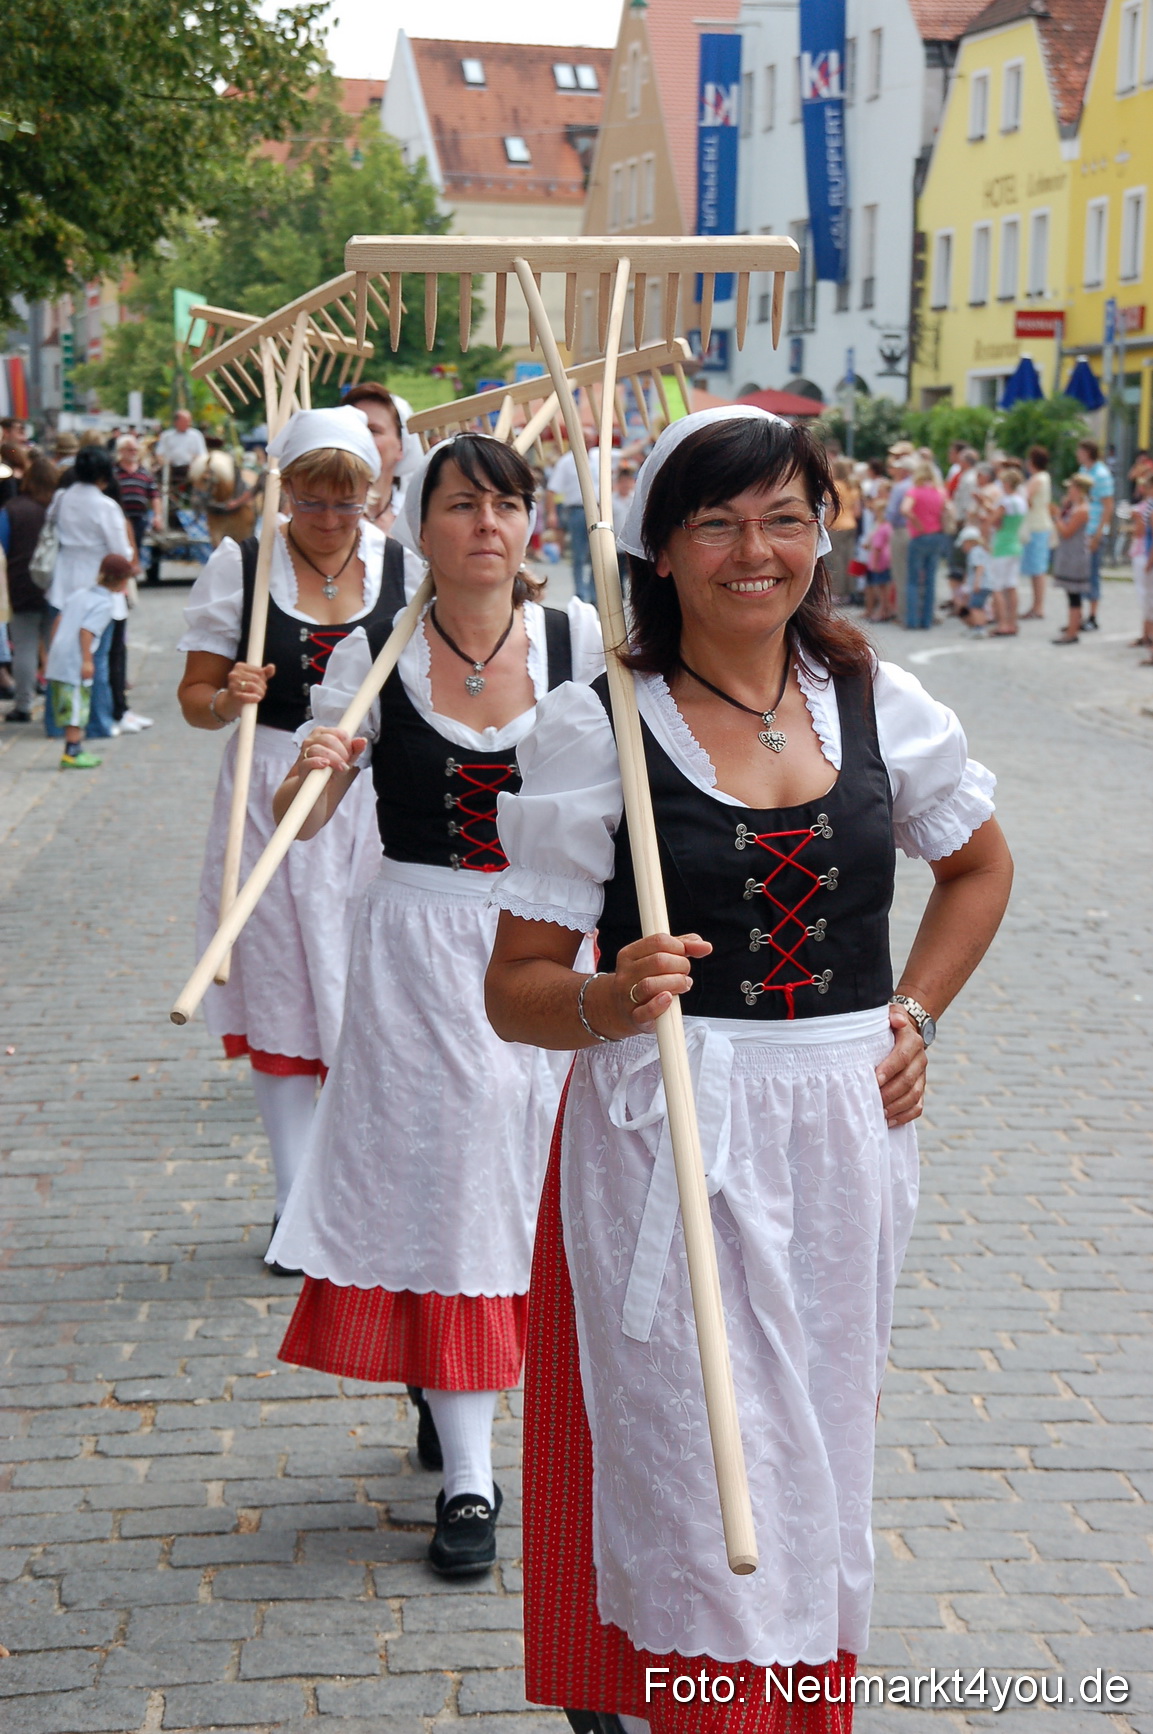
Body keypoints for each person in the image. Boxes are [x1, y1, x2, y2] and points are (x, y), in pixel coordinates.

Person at [485, 406, 1012, 1734]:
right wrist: (609, 994)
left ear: (825, 531)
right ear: (658, 550)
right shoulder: (590, 726)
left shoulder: (879, 703)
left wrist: (916, 1014)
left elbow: (979, 866)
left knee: (814, 1449)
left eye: (783, 516)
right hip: (668, 1130)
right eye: (715, 522)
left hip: (840, 1134)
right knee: (689, 1456)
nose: (753, 550)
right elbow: (517, 991)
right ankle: (687, 1702)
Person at [266, 432, 603, 1577]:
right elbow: (301, 827)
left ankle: (465, 1394)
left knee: (543, 1183)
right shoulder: (371, 652)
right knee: (457, 1183)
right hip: (416, 946)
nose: (487, 526)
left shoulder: (580, 643)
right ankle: (470, 1474)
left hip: (550, 943)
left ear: (532, 523)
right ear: (421, 524)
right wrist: (312, 766)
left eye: (507, 505)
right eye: (462, 505)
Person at [176, 406, 422, 1258]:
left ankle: (360, 1194)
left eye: (345, 504)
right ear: (285, 492)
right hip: (269, 789)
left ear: (370, 495)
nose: (326, 520)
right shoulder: (241, 566)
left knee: (374, 997)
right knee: (280, 992)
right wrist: (226, 697)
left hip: (376, 800)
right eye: (311, 502)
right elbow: (193, 700)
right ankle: (292, 1204)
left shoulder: (405, 569)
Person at [45, 553, 134, 769]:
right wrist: (87, 660)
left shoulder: (80, 594)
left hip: (59, 656)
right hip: (75, 660)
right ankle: (72, 751)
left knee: (65, 704)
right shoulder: (104, 604)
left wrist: (54, 646)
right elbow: (87, 631)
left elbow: (59, 619)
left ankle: (75, 748)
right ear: (122, 582)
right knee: (77, 706)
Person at [0, 454, 58, 722]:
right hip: (57, 585)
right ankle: (58, 702)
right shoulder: (58, 509)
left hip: (22, 583)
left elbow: (3, 547)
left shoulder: (12, 509)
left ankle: (23, 704)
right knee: (54, 644)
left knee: (23, 646)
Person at [343, 381, 420, 534]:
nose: (361, 438)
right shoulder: (323, 517)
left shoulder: (418, 519)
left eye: (373, 430)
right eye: (354, 428)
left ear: (401, 446)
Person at [901, 460, 949, 630]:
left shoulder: (914, 491)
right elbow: (947, 511)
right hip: (936, 535)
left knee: (913, 580)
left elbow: (905, 509)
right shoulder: (940, 492)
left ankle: (912, 620)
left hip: (919, 536)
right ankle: (927, 620)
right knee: (930, 580)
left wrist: (916, 522)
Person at [549, 441, 595, 602]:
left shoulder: (598, 456)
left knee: (599, 554)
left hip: (599, 509)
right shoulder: (567, 461)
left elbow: (625, 454)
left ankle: (595, 594)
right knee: (579, 554)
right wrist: (551, 513)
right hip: (577, 510)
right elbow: (552, 488)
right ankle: (581, 593)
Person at [1050, 473, 1093, 646]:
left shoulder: (1082, 510)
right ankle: (1072, 626)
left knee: (1074, 595)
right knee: (1071, 594)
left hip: (1075, 555)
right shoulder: (1075, 506)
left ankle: (1072, 632)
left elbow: (1067, 532)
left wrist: (1056, 517)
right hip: (1069, 554)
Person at [1076, 437, 1113, 631]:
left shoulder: (1101, 474)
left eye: (1080, 451)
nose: (1077, 454)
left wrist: (1098, 534)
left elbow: (1108, 506)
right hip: (1083, 528)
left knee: (1092, 575)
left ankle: (1092, 615)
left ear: (1087, 452)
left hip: (1094, 529)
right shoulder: (1084, 472)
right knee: (1081, 575)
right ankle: (1079, 615)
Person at [986, 462, 1026, 637]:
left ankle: (1002, 623)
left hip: (1002, 545)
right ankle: (1012, 622)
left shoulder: (1005, 501)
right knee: (1011, 586)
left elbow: (993, 520)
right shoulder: (1021, 501)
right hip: (1015, 543)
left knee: (997, 587)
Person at [115, 434, 163, 558]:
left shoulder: (144, 473)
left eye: (135, 449)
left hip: (139, 519)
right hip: (118, 519)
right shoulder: (113, 472)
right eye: (130, 449)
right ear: (121, 451)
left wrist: (157, 516)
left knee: (135, 549)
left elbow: (154, 496)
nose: (133, 452)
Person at [1019, 446, 1052, 620]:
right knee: (1035, 568)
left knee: (1037, 568)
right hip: (1037, 524)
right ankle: (1036, 605)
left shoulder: (1037, 478)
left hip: (1036, 526)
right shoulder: (1043, 477)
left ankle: (1038, 606)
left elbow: (1025, 497)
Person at [825, 457, 860, 604]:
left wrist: (826, 523)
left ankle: (837, 592)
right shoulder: (853, 487)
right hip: (851, 524)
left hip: (837, 525)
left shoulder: (834, 486)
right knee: (849, 558)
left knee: (836, 560)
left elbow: (830, 508)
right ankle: (851, 590)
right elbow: (858, 511)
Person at [1129, 472, 1153, 660]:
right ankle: (1146, 636)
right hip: (1145, 554)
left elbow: (1143, 533)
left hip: (1146, 556)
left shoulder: (1148, 508)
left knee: (1148, 600)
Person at [862, 479, 891, 622]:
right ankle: (883, 609)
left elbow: (878, 546)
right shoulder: (885, 526)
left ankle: (883, 610)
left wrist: (873, 563)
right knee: (883, 586)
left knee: (881, 587)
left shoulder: (881, 527)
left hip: (879, 560)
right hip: (883, 558)